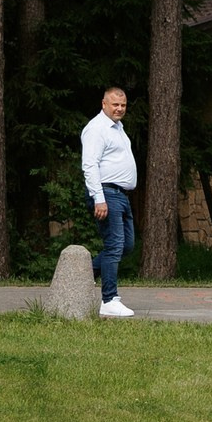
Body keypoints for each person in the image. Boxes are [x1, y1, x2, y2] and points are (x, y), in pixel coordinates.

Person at [79, 86, 137, 319]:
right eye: (115, 104)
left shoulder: (118, 128)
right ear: (104, 104)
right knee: (114, 245)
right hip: (106, 193)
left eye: (123, 105)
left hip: (121, 195)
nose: (119, 109)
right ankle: (109, 299)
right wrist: (99, 198)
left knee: (127, 246)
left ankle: (81, 278)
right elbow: (90, 165)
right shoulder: (96, 129)